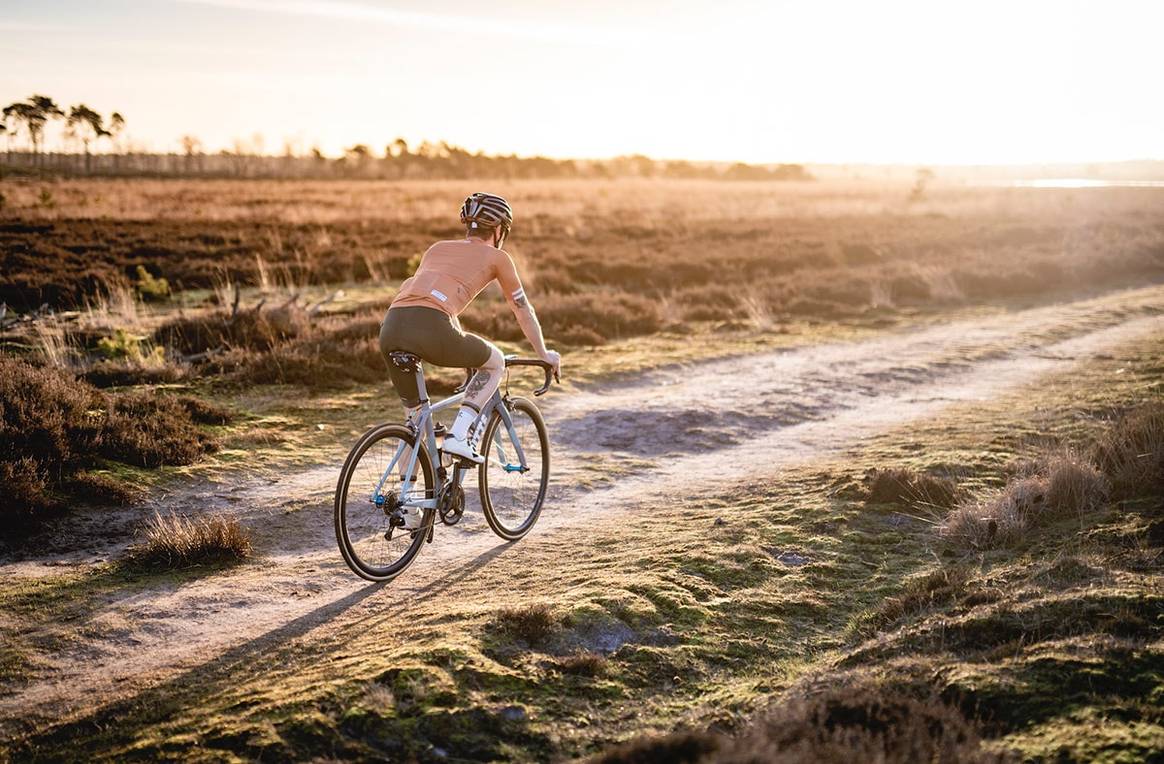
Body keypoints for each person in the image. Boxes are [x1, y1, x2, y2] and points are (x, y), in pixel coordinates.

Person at [379, 192, 561, 466]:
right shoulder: (499, 257)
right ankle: (459, 436)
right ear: (499, 229)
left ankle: (408, 507)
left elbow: (430, 300)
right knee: (495, 362)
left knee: (415, 422)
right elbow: (522, 309)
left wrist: (460, 347)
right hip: (432, 326)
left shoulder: (436, 249)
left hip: (391, 327)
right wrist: (544, 353)